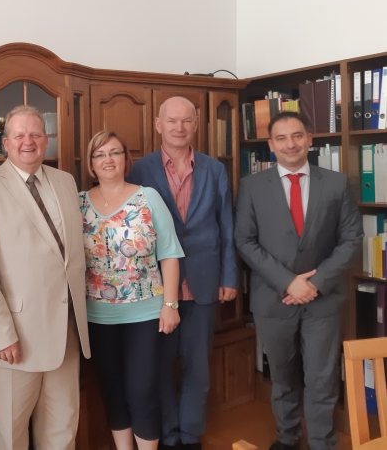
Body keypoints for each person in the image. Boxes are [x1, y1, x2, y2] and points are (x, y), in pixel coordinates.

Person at [0, 105, 90, 450]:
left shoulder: (66, 181)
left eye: (35, 134)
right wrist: (1, 335)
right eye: (19, 135)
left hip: (65, 334)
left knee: (62, 432)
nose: (28, 141)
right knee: (13, 437)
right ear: (5, 143)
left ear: (46, 140)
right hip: (14, 340)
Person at [235, 111, 362, 450]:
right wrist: (288, 282)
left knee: (322, 377)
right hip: (273, 299)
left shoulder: (336, 183)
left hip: (324, 299)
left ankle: (322, 442)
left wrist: (315, 283)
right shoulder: (251, 186)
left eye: (296, 136)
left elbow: (351, 239)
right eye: (281, 138)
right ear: (271, 145)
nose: (290, 144)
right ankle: (288, 437)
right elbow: (245, 241)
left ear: (310, 139)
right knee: (282, 375)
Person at [127, 96, 237, 450]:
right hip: (157, 287)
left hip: (204, 282)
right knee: (158, 367)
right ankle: (168, 432)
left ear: (196, 124)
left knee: (198, 367)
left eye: (186, 120)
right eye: (172, 121)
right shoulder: (139, 170)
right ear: (158, 125)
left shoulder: (214, 169)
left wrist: (229, 277)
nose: (179, 127)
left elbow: (227, 226)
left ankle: (189, 435)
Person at [81, 130, 183, 450]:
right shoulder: (78, 203)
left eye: (115, 152)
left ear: (126, 159)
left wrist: (171, 305)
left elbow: (169, 253)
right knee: (112, 391)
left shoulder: (148, 197)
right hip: (96, 316)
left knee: (142, 391)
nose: (108, 159)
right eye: (100, 154)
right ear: (91, 164)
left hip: (146, 314)